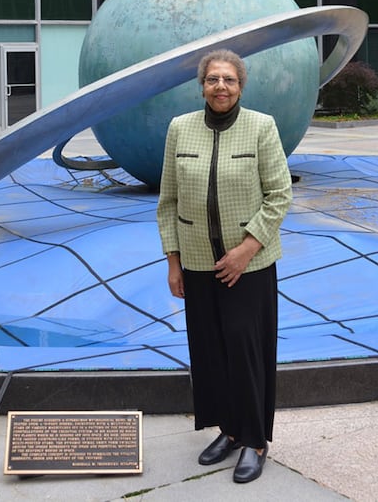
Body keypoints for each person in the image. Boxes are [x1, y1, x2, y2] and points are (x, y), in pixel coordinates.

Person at [156, 49, 292, 483]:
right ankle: (229, 431)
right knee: (211, 353)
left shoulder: (261, 127)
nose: (220, 87)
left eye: (229, 80)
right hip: (196, 263)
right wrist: (174, 262)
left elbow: (279, 195)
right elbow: (168, 202)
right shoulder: (181, 129)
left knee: (246, 351)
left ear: (241, 85)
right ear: (201, 86)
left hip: (248, 265)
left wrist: (246, 249)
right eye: (213, 79)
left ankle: (254, 439)